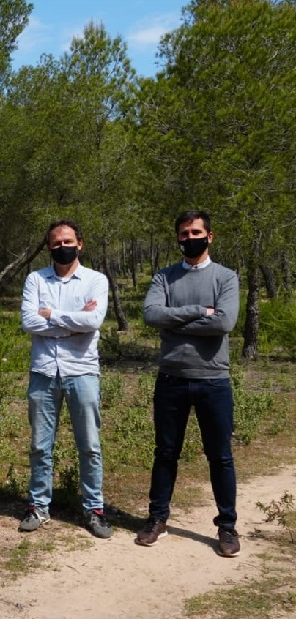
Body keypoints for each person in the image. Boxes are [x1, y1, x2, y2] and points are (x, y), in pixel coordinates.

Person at [137, 210, 240, 557]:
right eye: (184, 233)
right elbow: (151, 315)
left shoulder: (226, 277)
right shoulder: (164, 277)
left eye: (196, 232)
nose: (189, 238)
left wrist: (175, 324)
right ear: (177, 238)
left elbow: (224, 323)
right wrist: (200, 311)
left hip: (214, 380)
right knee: (165, 453)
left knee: (220, 456)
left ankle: (227, 527)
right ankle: (157, 519)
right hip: (172, 379)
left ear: (209, 236)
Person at [18, 220, 112, 538]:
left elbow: (94, 319)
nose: (62, 247)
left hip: (82, 371)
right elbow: (29, 321)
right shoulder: (36, 279)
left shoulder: (96, 280)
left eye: (68, 241)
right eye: (56, 243)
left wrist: (52, 315)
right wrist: (73, 324)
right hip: (44, 371)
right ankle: (38, 506)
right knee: (40, 446)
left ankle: (94, 509)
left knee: (90, 446)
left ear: (80, 244)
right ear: (49, 247)